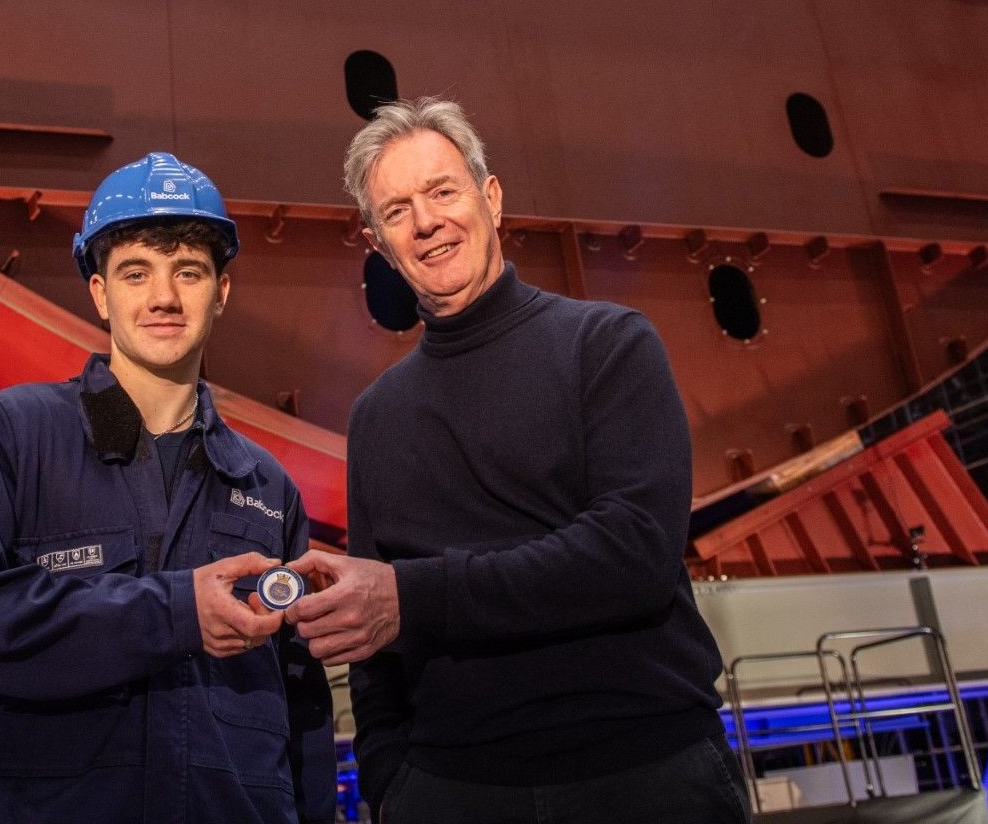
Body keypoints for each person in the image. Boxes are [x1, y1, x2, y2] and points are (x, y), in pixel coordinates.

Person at [287, 99, 748, 823]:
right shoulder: (377, 417)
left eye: (442, 191)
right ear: (378, 244)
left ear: (490, 199)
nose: (428, 222)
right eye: (398, 210)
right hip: (450, 793)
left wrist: (413, 597)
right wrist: (391, 781)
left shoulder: (608, 345)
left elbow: (631, 555)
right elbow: (374, 640)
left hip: (643, 776)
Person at [0, 151, 335, 824]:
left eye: (188, 272)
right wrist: (174, 611)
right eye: (136, 273)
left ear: (221, 292)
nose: (163, 296)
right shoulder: (19, 433)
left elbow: (299, 699)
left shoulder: (266, 485)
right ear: (101, 293)